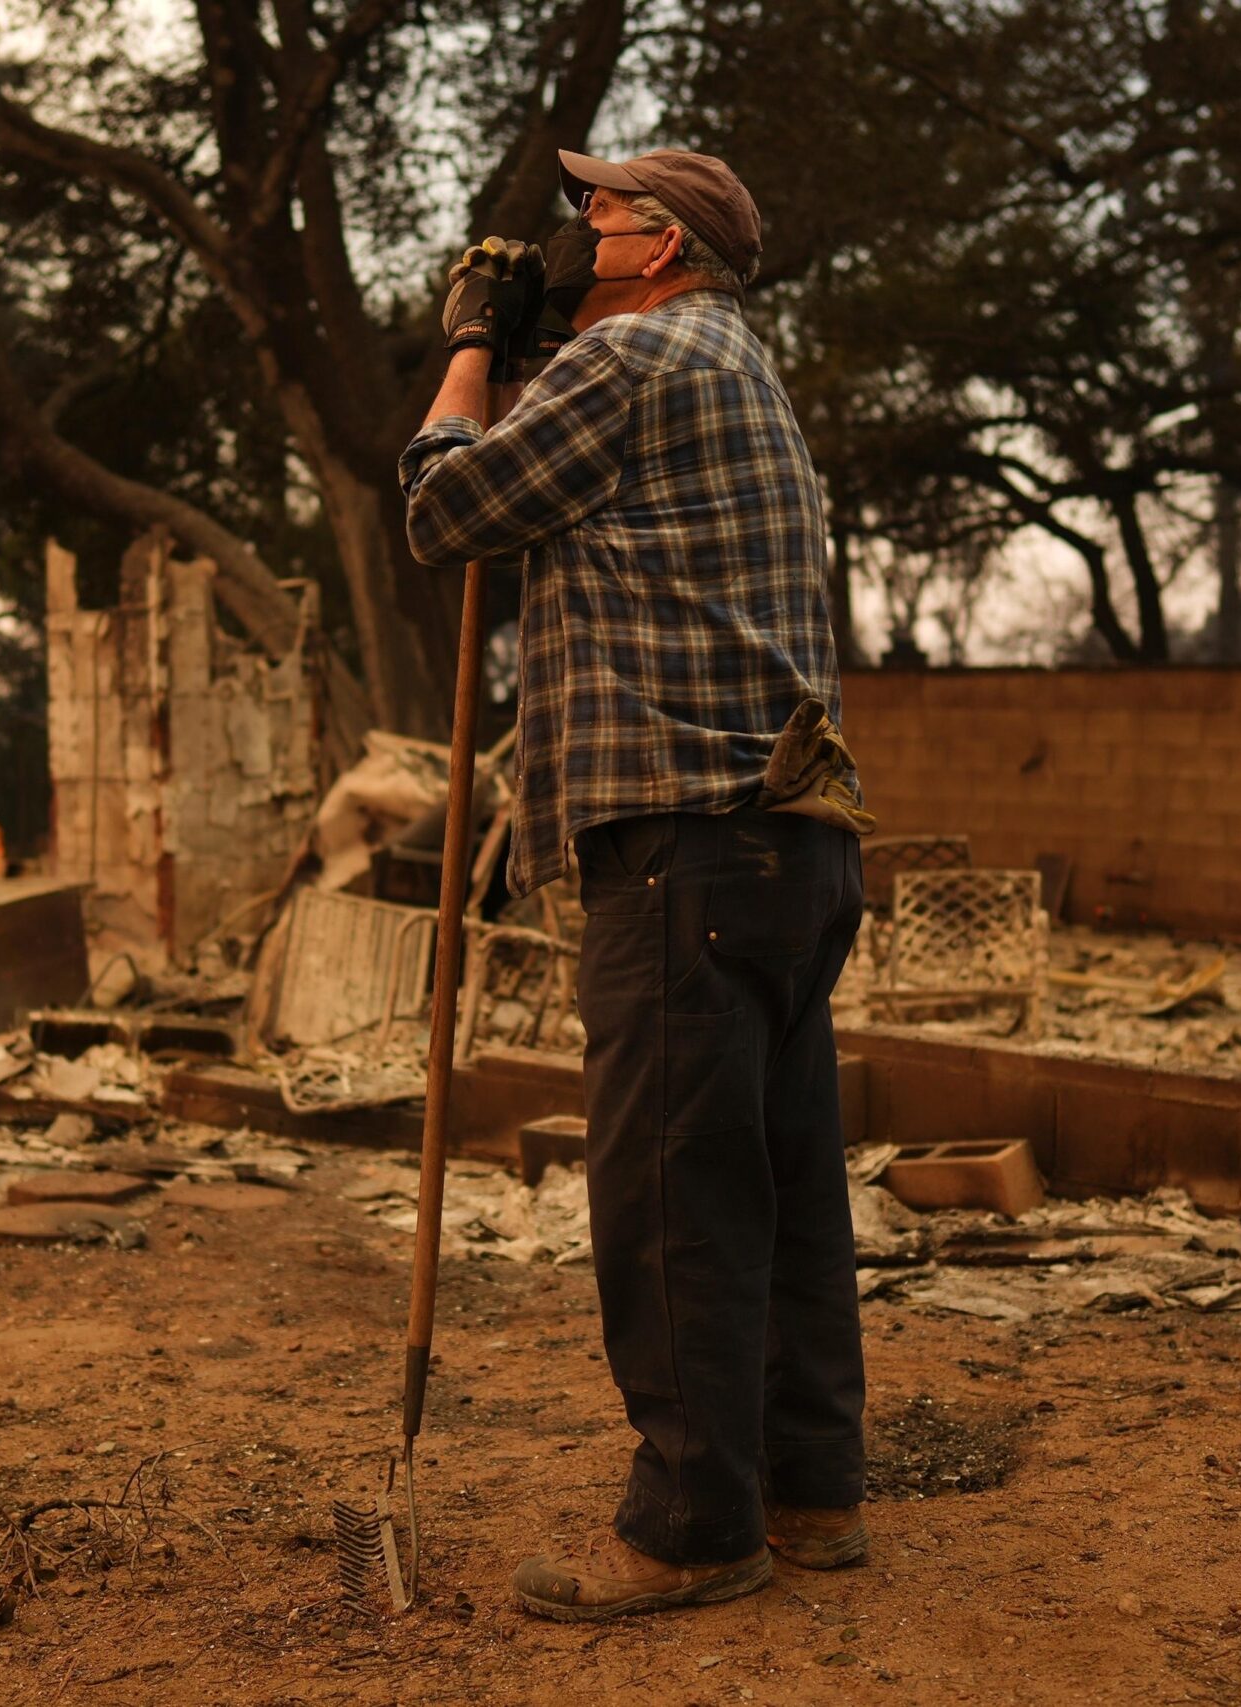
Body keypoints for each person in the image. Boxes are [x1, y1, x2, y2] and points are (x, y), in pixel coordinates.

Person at [398, 148, 874, 1622]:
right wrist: (542, 340)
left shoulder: (638, 360)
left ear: (662, 247)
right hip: (790, 845)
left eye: (601, 210)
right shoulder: (724, 360)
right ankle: (809, 1497)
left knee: (674, 1199)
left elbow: (444, 507)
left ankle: (691, 1533)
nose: (576, 225)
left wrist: (472, 342)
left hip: (684, 850)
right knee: (784, 1188)